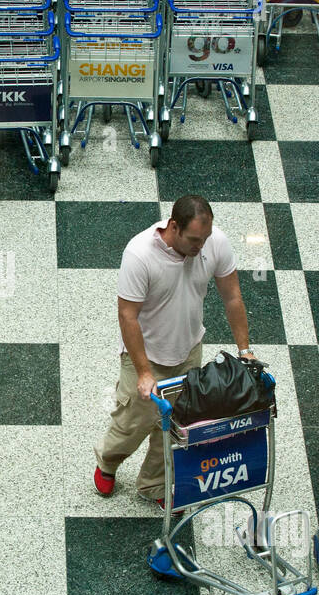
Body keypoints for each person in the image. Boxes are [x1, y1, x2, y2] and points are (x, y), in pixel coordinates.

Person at [93, 195, 256, 506]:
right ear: (173, 226)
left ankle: (153, 484)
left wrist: (245, 349)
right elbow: (127, 315)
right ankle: (108, 462)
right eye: (194, 240)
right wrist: (143, 372)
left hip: (188, 351)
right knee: (132, 423)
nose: (201, 247)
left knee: (175, 425)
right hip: (145, 355)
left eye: (205, 239)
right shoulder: (140, 254)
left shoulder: (214, 243)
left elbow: (232, 297)